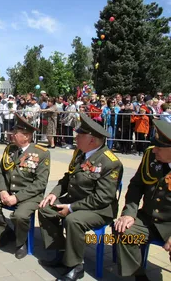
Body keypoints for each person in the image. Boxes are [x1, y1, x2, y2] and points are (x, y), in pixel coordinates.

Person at [38, 113, 123, 281]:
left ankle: (76, 266)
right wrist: (53, 194)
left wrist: (70, 208)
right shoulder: (80, 153)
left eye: (79, 135)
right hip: (76, 199)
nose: (75, 137)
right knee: (45, 209)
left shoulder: (110, 162)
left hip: (99, 209)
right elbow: (67, 177)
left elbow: (102, 198)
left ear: (92, 140)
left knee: (73, 220)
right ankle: (62, 252)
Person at [0, 113, 50, 260]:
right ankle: (5, 233)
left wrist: (17, 197)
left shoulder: (42, 153)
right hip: (8, 191)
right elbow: (0, 172)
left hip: (29, 195)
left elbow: (40, 183)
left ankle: (21, 243)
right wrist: (2, 191)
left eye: (15, 132)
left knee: (19, 216)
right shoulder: (10, 149)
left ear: (26, 136)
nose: (11, 134)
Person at [114, 120, 171, 281]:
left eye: (160, 147)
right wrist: (129, 213)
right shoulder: (150, 156)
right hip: (148, 219)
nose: (155, 151)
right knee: (123, 231)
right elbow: (136, 186)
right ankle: (138, 275)